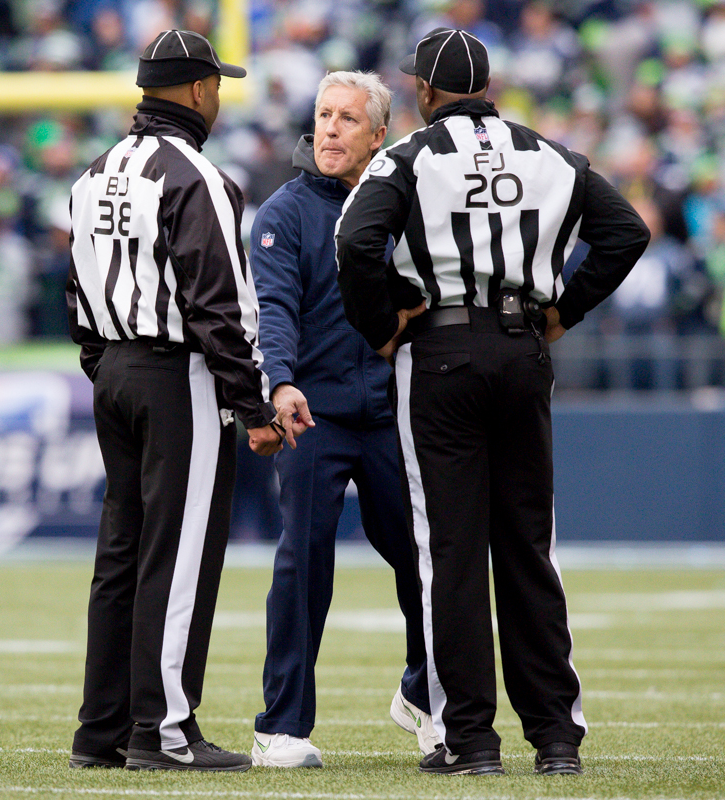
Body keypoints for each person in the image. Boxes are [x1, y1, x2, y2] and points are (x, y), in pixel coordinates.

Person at [336, 28, 650, 776]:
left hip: (440, 352)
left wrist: (383, 325)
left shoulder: (407, 157)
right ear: (488, 89)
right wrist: (564, 309)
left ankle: (470, 739)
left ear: (424, 91)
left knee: (449, 551)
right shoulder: (548, 154)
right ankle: (557, 737)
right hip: (521, 350)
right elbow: (626, 232)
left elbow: (354, 242)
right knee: (527, 547)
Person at [66, 29, 312, 773]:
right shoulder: (197, 177)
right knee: (177, 554)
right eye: (216, 85)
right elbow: (217, 309)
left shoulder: (95, 172)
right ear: (200, 89)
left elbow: (77, 294)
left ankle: (102, 730)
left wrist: (110, 368)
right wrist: (252, 408)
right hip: (176, 377)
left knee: (121, 552)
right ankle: (164, 731)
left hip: (114, 369)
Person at [248, 71, 438, 768]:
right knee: (303, 562)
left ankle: (427, 696)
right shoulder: (283, 212)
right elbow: (273, 309)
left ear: (379, 135)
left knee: (427, 561)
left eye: (347, 119)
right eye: (324, 114)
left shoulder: (408, 206)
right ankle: (280, 727)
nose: (329, 128)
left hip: (393, 412)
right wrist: (281, 382)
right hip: (313, 414)